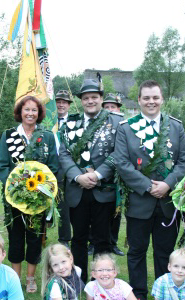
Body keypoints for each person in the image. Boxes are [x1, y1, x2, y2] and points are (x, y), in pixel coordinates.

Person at [114, 80, 185, 300]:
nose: (151, 102)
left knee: (164, 253)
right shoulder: (126, 128)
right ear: (138, 100)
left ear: (162, 99)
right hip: (139, 202)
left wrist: (168, 184)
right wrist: (148, 186)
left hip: (168, 202)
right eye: (146, 97)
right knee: (137, 251)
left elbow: (184, 161)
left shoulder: (176, 126)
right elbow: (121, 162)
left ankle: (164, 293)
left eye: (155, 97)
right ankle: (138, 294)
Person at [59, 79, 124, 283]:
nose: (90, 101)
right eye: (86, 98)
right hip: (77, 190)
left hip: (103, 190)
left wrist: (97, 175)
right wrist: (78, 176)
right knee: (78, 239)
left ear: (101, 99)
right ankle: (78, 279)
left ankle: (100, 282)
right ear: (81, 100)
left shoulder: (116, 122)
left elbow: (119, 153)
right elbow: (63, 154)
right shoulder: (70, 123)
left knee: (102, 240)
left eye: (94, 97)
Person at [0, 96, 59, 293]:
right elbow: (2, 165)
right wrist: (17, 187)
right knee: (15, 238)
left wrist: (42, 189)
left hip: (39, 198)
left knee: (34, 237)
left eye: (34, 110)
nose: (30, 114)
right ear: (20, 112)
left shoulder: (47, 136)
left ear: (39, 113)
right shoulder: (8, 135)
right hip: (14, 198)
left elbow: (54, 167)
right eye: (26, 110)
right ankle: (15, 278)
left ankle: (30, 278)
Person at [102, 93, 125, 257]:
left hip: (117, 176)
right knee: (97, 212)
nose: (110, 110)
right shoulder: (98, 125)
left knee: (116, 212)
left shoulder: (124, 125)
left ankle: (113, 243)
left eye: (113, 107)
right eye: (107, 107)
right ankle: (94, 242)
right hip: (101, 175)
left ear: (118, 109)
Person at [53, 90, 73, 247]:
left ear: (69, 105)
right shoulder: (48, 122)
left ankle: (67, 237)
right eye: (58, 101)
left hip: (70, 166)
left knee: (68, 203)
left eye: (64, 102)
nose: (60, 104)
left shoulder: (75, 122)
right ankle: (62, 237)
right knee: (56, 203)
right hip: (51, 166)